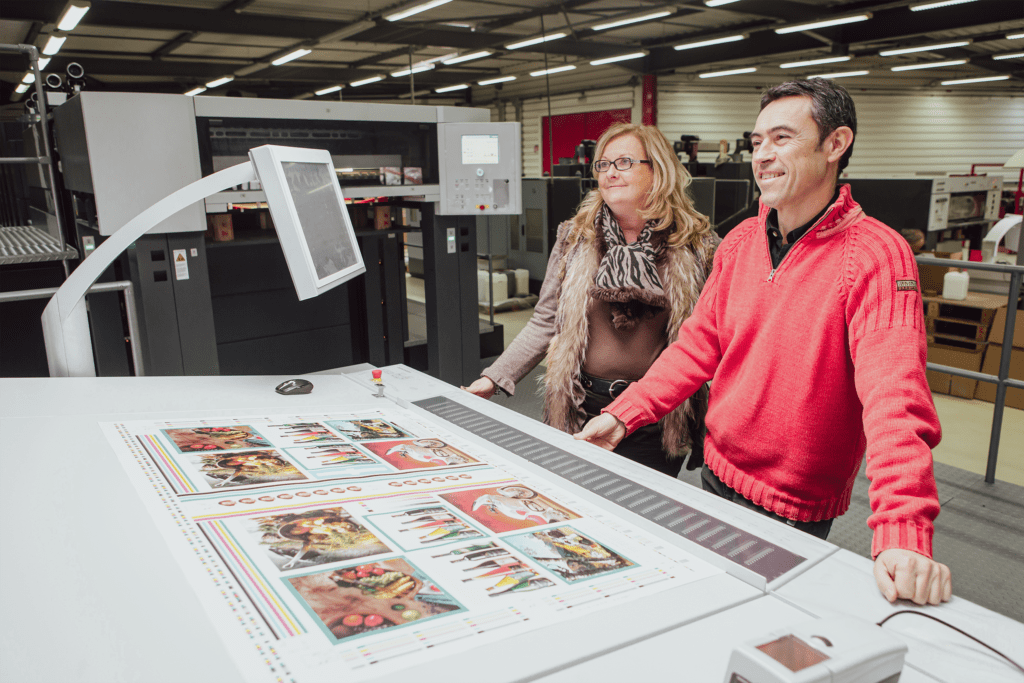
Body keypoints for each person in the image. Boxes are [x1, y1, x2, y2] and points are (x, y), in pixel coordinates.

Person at [576, 79, 953, 606]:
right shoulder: (741, 242)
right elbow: (696, 346)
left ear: (835, 144)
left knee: (762, 624)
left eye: (781, 139)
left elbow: (895, 401)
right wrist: (625, 414)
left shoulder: (876, 256)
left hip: (793, 505)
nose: (763, 156)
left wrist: (903, 532)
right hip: (717, 471)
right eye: (756, 143)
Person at [463, 123, 719, 477]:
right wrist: (492, 378)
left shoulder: (696, 245)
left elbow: (708, 340)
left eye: (624, 162)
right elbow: (544, 320)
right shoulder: (576, 237)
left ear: (657, 170)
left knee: (640, 514)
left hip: (653, 417)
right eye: (602, 164)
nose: (610, 172)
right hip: (581, 406)